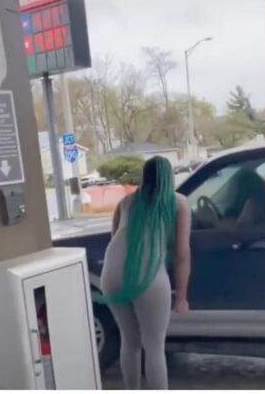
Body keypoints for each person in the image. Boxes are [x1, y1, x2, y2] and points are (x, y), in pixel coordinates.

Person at [96, 156, 192, 389]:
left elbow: (116, 239)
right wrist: (181, 297)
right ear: (169, 177)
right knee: (154, 346)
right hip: (148, 276)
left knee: (130, 342)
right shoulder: (178, 202)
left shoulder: (126, 202)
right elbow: (182, 254)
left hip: (111, 275)